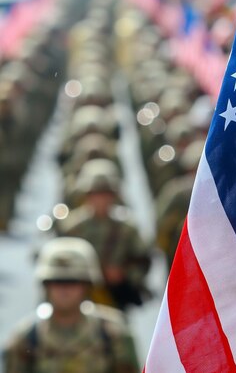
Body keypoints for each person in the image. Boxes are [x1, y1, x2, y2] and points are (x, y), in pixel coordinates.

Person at [3, 237, 140, 372]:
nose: (64, 290)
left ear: (86, 286)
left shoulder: (113, 333)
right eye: (57, 282)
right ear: (46, 286)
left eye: (72, 282)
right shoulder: (26, 338)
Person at [59, 159, 152, 311]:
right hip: (79, 296)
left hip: (115, 296)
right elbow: (59, 264)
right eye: (95, 193)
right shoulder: (71, 227)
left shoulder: (127, 228)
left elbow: (143, 260)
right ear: (86, 195)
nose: (101, 199)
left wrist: (124, 274)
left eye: (106, 193)